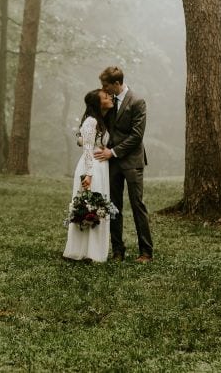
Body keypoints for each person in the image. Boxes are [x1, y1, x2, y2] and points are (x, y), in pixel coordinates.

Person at [94, 66, 153, 263]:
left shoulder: (137, 101)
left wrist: (113, 152)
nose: (104, 89)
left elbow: (137, 136)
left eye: (106, 85)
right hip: (113, 163)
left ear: (117, 84)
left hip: (132, 161)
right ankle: (118, 251)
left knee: (137, 205)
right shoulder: (109, 102)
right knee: (114, 206)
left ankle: (146, 252)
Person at [62, 89, 114, 263]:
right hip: (90, 166)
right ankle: (82, 251)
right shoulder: (91, 122)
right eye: (106, 97)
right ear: (98, 103)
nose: (110, 98)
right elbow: (87, 150)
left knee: (97, 206)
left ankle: (93, 250)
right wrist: (89, 174)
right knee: (88, 205)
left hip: (102, 167)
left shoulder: (102, 120)